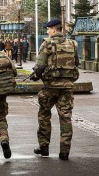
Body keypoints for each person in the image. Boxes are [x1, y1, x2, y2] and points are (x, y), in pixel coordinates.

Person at [30, 19, 79, 161]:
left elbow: (40, 65)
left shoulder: (47, 43)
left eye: (48, 29)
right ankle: (64, 151)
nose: (47, 32)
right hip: (67, 87)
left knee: (44, 115)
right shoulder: (72, 44)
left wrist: (36, 76)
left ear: (53, 29)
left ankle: (44, 147)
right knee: (66, 118)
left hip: (50, 87)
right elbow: (76, 63)